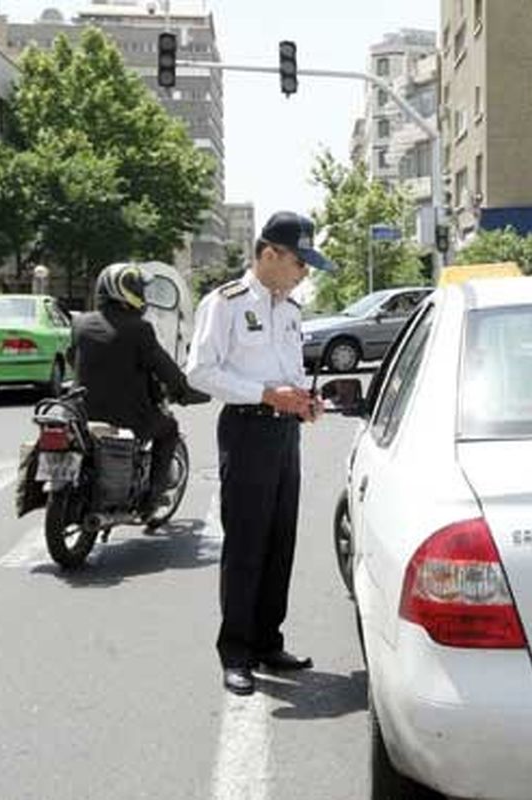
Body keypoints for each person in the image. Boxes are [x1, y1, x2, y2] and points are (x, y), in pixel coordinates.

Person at [185, 211, 323, 696]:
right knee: (246, 545)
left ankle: (268, 641)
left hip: (286, 433)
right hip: (246, 430)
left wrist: (306, 399)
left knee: (279, 541)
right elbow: (199, 372)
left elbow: (289, 370)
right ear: (269, 254)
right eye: (299, 263)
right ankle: (237, 652)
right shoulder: (224, 303)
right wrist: (266, 396)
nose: (304, 273)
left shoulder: (290, 310)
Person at [71, 263, 195, 516]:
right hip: (127, 417)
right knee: (169, 429)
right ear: (125, 292)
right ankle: (152, 498)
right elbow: (164, 367)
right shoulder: (139, 329)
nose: (143, 295)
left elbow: (72, 357)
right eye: (138, 289)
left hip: (80, 414)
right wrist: (184, 389)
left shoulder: (80, 323)